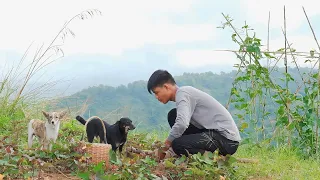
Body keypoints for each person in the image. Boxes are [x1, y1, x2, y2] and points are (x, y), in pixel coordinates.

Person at [147, 69, 241, 157]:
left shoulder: (183, 93)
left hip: (227, 140)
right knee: (173, 115)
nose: (156, 97)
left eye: (157, 92)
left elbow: (182, 124)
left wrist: (167, 144)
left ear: (166, 87)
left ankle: (213, 158)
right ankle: (190, 151)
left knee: (178, 144)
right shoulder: (184, 94)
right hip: (212, 134)